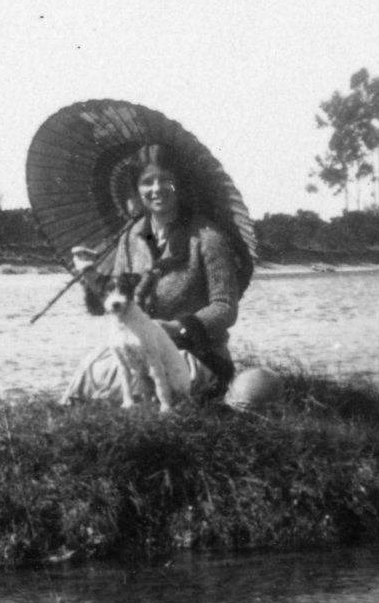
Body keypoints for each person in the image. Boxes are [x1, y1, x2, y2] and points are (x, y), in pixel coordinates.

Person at [63, 143, 283, 412]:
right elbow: (114, 302)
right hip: (142, 349)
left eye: (166, 180)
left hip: (196, 354)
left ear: (182, 185)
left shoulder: (208, 238)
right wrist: (88, 273)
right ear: (137, 191)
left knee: (121, 384)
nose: (157, 189)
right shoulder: (130, 237)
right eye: (147, 182)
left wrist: (177, 326)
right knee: (92, 370)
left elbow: (225, 308)